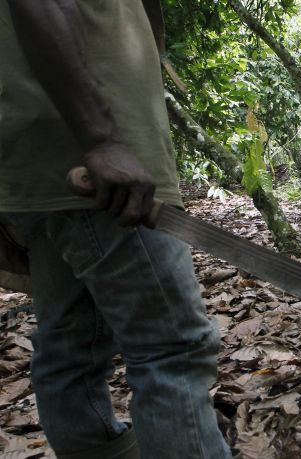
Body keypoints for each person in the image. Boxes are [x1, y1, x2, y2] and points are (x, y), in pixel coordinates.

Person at [0, 1, 232, 458]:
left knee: (69, 347)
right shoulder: (99, 147)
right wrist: (102, 140)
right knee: (173, 352)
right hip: (95, 161)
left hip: (38, 156)